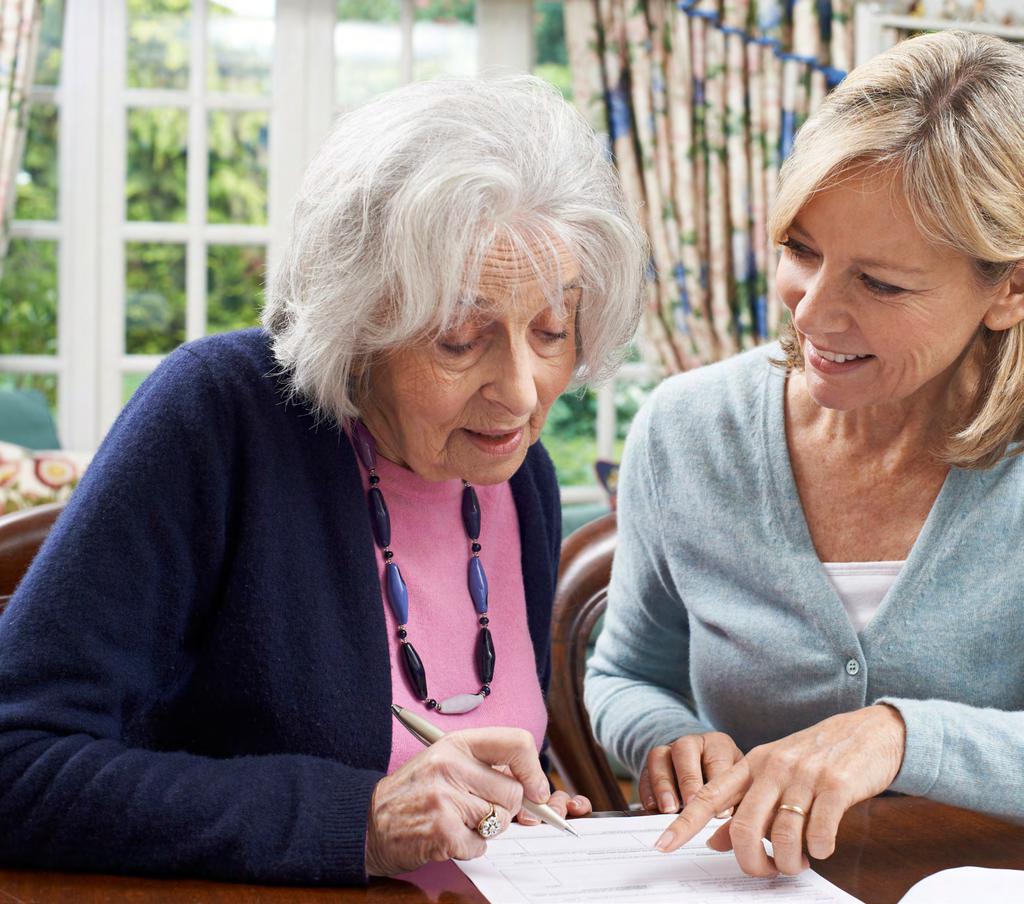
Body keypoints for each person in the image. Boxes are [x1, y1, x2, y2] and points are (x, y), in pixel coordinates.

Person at [0, 75, 646, 885]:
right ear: (359, 320)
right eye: (459, 339)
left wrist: (510, 800)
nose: (520, 391)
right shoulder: (220, 417)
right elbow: (16, 762)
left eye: (553, 331)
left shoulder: (520, 476)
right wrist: (361, 819)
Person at [585, 29, 1024, 880]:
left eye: (881, 283)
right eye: (801, 250)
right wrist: (666, 737)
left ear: (1008, 288)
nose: (813, 315)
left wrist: (899, 736)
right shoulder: (686, 430)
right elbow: (627, 672)